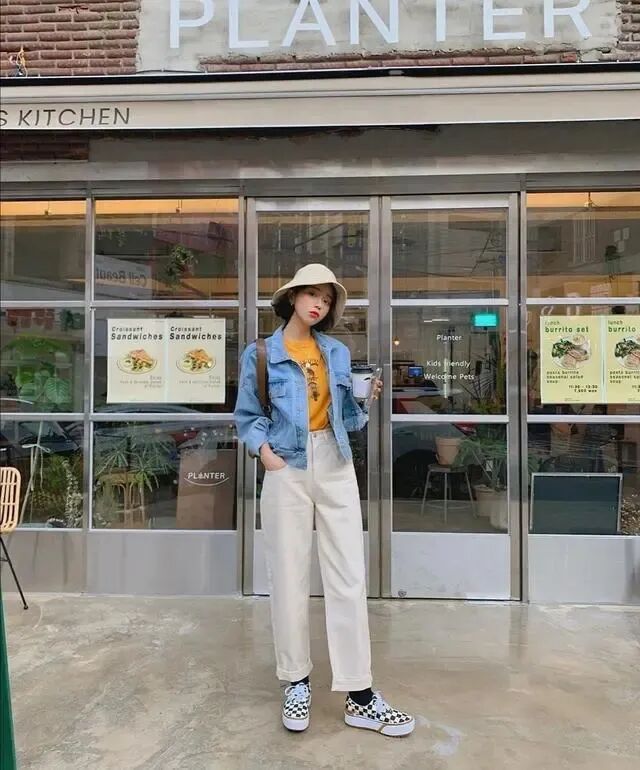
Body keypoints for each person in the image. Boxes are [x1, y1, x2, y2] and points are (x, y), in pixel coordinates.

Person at [234, 263, 415, 737]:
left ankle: (360, 694)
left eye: (327, 298)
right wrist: (266, 454)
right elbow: (247, 416)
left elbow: (348, 420)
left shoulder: (335, 351)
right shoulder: (261, 353)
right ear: (292, 297)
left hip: (334, 460)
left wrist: (365, 399)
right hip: (287, 464)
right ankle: (296, 681)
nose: (319, 303)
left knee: (349, 576)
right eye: (311, 294)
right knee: (288, 575)